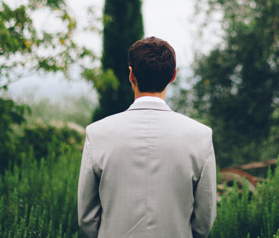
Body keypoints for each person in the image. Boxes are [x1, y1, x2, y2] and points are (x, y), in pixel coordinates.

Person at [77, 36, 217, 238]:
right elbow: (204, 220)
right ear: (173, 75)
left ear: (131, 74)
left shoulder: (97, 133)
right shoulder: (200, 136)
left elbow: (87, 219)